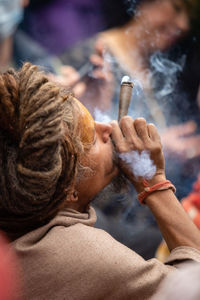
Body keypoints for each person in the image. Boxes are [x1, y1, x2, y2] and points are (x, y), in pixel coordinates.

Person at [1, 62, 200, 299]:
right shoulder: (80, 254)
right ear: (67, 190)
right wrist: (155, 183)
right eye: (91, 140)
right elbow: (195, 285)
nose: (107, 127)